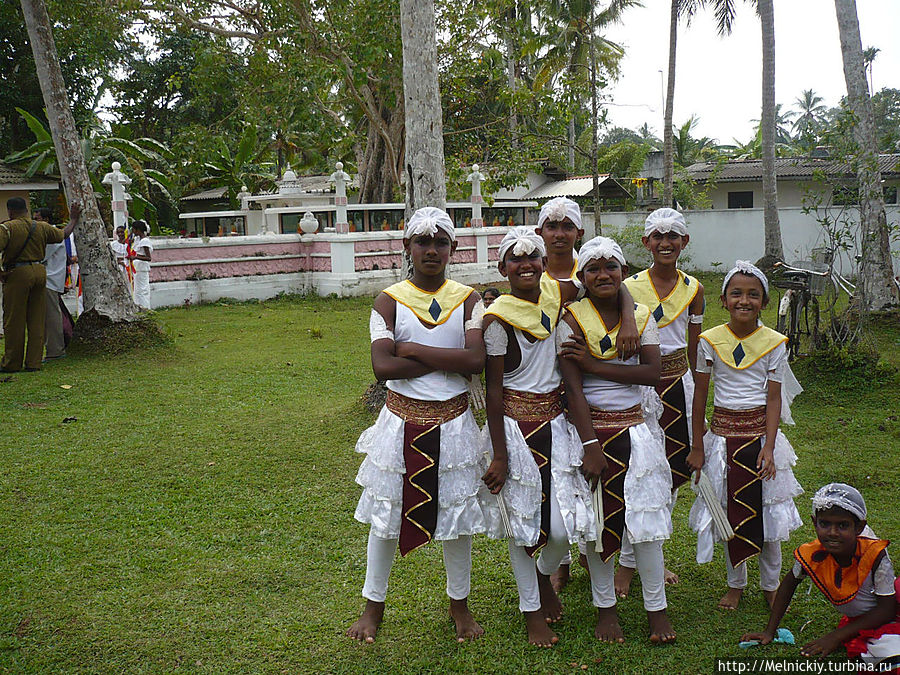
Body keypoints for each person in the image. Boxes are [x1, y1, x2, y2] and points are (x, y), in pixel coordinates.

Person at [347, 207, 487, 644]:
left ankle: (459, 605)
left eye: (440, 242)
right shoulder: (389, 299)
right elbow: (382, 368)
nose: (431, 250)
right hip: (400, 422)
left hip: (455, 424)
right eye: (422, 242)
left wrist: (411, 348)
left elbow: (476, 361)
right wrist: (446, 364)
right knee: (385, 516)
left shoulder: (468, 299)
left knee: (457, 516)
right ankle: (373, 605)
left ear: (453, 249)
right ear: (407, 247)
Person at [557, 236, 676, 644]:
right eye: (593, 268)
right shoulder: (571, 318)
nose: (603, 274)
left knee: (645, 525)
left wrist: (593, 363)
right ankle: (605, 609)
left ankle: (656, 611)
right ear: (582, 277)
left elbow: (652, 374)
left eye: (611, 266)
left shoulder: (642, 316)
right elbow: (573, 390)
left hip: (638, 432)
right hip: (590, 435)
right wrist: (590, 445)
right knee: (597, 524)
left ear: (623, 273)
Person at [479, 227, 590, 647]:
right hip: (513, 430)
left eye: (533, 257)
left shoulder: (559, 297)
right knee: (524, 528)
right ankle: (532, 613)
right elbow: (493, 390)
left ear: (546, 263)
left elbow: (611, 280)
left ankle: (545, 576)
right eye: (515, 258)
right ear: (502, 267)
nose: (525, 264)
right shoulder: (496, 318)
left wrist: (631, 312)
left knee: (561, 530)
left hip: (556, 427)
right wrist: (500, 455)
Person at [536, 196, 641, 592]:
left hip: (588, 385)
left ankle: (612, 554)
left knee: (610, 477)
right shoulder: (534, 273)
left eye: (568, 227)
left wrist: (629, 317)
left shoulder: (589, 272)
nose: (560, 234)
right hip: (545, 385)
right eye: (552, 225)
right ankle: (560, 559)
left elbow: (621, 291)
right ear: (539, 232)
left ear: (580, 232)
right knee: (559, 476)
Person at [687, 261, 803, 610]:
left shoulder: (774, 343)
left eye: (754, 295)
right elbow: (700, 395)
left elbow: (773, 397)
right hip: (722, 440)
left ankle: (770, 585)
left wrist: (769, 446)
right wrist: (697, 445)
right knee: (728, 513)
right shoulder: (710, 341)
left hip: (760, 440)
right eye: (736, 293)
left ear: (764, 302)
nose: (744, 300)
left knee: (768, 515)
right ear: (723, 299)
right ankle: (735, 583)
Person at [616, 208, 705, 596]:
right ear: (646, 242)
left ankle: (653, 557)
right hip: (640, 387)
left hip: (679, 385)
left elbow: (695, 349)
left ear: (684, 242)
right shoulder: (628, 286)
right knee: (637, 471)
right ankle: (624, 562)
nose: (665, 242)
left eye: (673, 236)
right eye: (658, 236)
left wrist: (698, 400)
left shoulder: (695, 289)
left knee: (670, 475)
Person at [742, 483, 900, 666]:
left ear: (859, 527)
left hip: (889, 614)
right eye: (825, 524)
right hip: (862, 621)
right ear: (814, 522)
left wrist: (835, 637)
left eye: (842, 525)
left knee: (889, 658)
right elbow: (788, 584)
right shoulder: (812, 555)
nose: (833, 533)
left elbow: (887, 610)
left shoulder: (874, 554)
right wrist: (769, 631)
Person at [0, 197, 80, 372]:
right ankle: (34, 362)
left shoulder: (7, 228)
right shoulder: (42, 227)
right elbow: (64, 234)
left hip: (17, 273)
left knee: (14, 319)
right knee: (37, 319)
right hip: (40, 272)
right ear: (26, 210)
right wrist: (73, 219)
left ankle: (12, 363)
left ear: (10, 211)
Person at [38, 208, 72, 362]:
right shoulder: (45, 233)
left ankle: (55, 350)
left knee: (51, 316)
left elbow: (40, 255)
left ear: (46, 219)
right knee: (46, 316)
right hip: (47, 280)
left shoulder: (50, 234)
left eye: (37, 219)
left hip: (49, 280)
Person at [128, 220, 152, 309]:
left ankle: (145, 307)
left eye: (134, 229)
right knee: (137, 290)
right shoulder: (138, 239)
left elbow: (148, 258)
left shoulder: (145, 241)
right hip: (137, 268)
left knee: (142, 290)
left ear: (138, 230)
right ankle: (138, 307)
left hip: (142, 267)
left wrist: (136, 257)